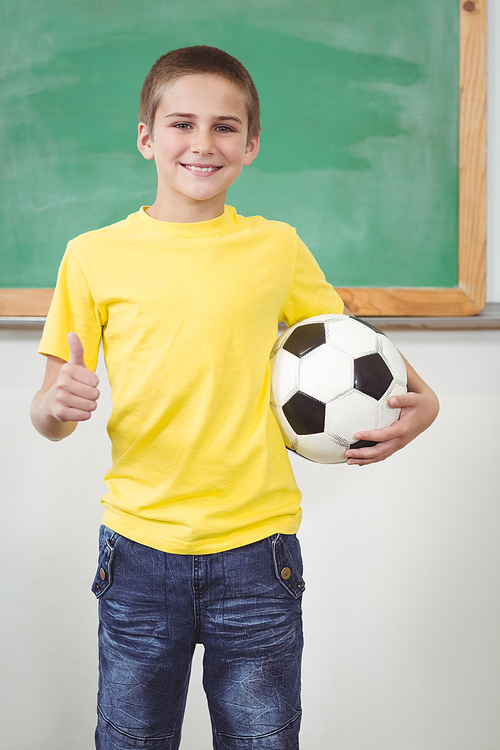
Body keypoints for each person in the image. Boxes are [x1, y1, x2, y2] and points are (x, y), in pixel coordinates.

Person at [30, 45, 439, 750]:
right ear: (146, 138)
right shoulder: (92, 255)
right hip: (137, 549)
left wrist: (425, 407)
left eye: (225, 127)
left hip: (258, 554)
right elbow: (47, 415)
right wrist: (56, 407)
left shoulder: (276, 248)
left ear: (250, 145)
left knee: (263, 740)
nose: (202, 143)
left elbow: (352, 348)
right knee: (130, 738)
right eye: (182, 124)